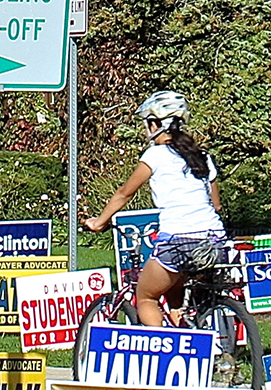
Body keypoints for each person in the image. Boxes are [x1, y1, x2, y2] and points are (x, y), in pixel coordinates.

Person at [82, 91, 227, 326]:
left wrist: (99, 221)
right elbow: (216, 206)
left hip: (178, 241)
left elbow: (124, 193)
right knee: (174, 288)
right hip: (214, 241)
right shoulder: (202, 157)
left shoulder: (156, 155)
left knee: (146, 296)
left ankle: (164, 351)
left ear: (155, 124)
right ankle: (185, 327)